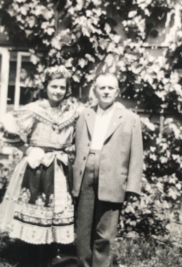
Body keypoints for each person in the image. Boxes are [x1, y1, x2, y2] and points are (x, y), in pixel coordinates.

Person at [0, 65, 82, 267]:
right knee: (37, 210)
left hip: (60, 168)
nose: (58, 91)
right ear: (46, 87)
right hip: (38, 167)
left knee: (57, 212)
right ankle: (34, 258)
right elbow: (4, 128)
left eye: (62, 87)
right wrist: (28, 150)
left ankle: (53, 256)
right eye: (54, 86)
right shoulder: (35, 110)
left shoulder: (73, 111)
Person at [72, 67, 143, 267]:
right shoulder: (84, 115)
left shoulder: (130, 119)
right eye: (102, 87)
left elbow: (136, 156)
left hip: (113, 178)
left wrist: (132, 187)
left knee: (105, 232)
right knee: (83, 230)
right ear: (95, 91)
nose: (106, 91)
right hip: (86, 174)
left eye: (110, 88)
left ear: (117, 92)